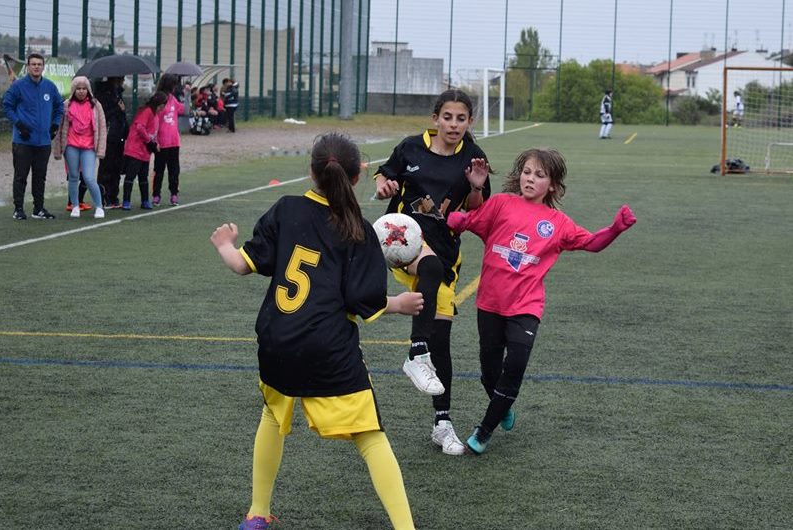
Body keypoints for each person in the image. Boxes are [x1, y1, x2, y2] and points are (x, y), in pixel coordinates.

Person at [210, 133, 422, 530]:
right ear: (358, 175)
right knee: (370, 435)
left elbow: (241, 265)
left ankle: (257, 513)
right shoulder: (357, 227)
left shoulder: (286, 208)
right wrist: (399, 303)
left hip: (277, 341)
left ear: (310, 171)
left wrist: (225, 243)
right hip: (327, 348)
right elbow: (364, 299)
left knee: (273, 416)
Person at [446, 148, 636, 455]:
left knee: (516, 365)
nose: (530, 179)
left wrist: (615, 229)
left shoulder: (557, 223)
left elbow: (591, 243)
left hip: (526, 306)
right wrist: (459, 221)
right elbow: (472, 220)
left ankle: (483, 431)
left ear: (553, 186)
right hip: (490, 303)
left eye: (539, 175)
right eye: (527, 172)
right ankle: (503, 405)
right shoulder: (501, 204)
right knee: (489, 372)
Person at [373, 89, 492, 456]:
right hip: (401, 239)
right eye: (447, 118)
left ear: (469, 122)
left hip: (445, 250)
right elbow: (384, 178)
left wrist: (475, 188)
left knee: (442, 338)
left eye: (461, 119)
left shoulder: (474, 158)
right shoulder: (410, 147)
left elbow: (475, 211)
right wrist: (383, 186)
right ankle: (415, 352)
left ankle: (442, 424)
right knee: (430, 266)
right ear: (435, 119)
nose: (453, 124)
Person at [2, 53, 64, 220]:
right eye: (33, 64)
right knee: (21, 176)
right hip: (23, 141)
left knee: (40, 177)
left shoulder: (50, 87)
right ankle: (18, 209)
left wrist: (55, 125)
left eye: (39, 64)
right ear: (28, 67)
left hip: (43, 142)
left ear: (43, 67)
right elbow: (7, 106)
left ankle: (38, 209)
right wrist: (19, 124)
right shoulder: (18, 86)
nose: (36, 66)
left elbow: (59, 107)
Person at [52, 76, 107, 219]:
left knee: (89, 177)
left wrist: (100, 149)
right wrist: (58, 149)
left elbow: (101, 127)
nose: (81, 91)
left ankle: (99, 207)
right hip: (71, 146)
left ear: (88, 90)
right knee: (73, 177)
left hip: (88, 147)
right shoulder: (66, 105)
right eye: (78, 89)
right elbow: (59, 128)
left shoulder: (96, 105)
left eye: (84, 88)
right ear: (73, 90)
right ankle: (75, 205)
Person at [122, 91, 166, 210]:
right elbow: (140, 127)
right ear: (158, 104)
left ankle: (145, 200)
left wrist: (156, 144)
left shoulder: (156, 116)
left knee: (143, 177)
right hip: (135, 150)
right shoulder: (146, 111)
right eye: (162, 105)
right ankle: (126, 201)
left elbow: (154, 133)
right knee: (130, 176)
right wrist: (150, 142)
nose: (162, 108)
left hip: (145, 152)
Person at [153, 73, 189, 206]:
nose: (175, 87)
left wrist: (187, 95)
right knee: (159, 170)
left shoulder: (173, 99)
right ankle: (156, 195)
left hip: (174, 142)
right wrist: (154, 139)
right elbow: (154, 118)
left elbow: (185, 110)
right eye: (174, 84)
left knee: (174, 170)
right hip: (161, 142)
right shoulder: (158, 99)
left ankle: (174, 194)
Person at [95, 76, 129, 209]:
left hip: (119, 136)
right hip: (108, 136)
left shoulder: (118, 93)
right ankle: (103, 198)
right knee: (106, 168)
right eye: (121, 78)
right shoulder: (102, 95)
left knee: (117, 168)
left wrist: (126, 131)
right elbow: (104, 115)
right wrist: (118, 108)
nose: (123, 80)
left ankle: (113, 197)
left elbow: (122, 115)